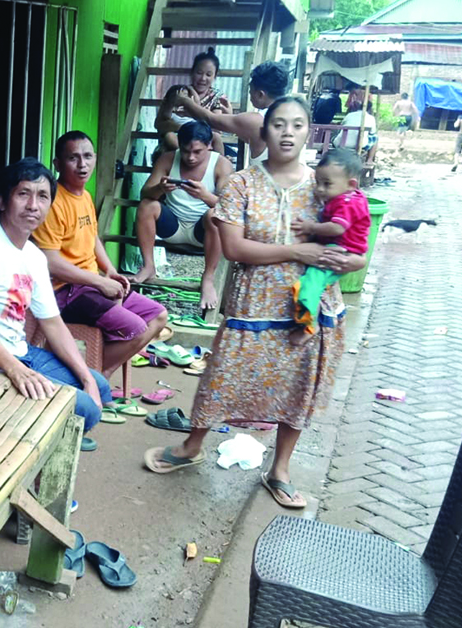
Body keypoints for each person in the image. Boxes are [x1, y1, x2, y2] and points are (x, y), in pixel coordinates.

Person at [141, 97, 368, 509]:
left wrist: (349, 259)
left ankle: (279, 468)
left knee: (299, 386)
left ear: (307, 132)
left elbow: (356, 249)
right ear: (264, 131)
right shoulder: (242, 183)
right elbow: (234, 248)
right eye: (278, 124)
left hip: (309, 308)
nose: (287, 132)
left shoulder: (329, 186)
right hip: (253, 303)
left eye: (297, 125)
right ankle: (193, 446)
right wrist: (301, 253)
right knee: (223, 375)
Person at [0, 157, 111, 452]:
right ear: (2, 200)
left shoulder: (34, 256)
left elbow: (52, 323)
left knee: (98, 385)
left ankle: (56, 436)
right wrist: (16, 370)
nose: (33, 206)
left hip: (21, 352)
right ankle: (43, 450)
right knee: (85, 409)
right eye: (23, 194)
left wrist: (86, 377)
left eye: (42, 197)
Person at [33, 131, 169, 378]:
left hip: (90, 284)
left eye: (87, 156)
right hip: (64, 291)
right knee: (136, 328)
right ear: (58, 164)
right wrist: (100, 282)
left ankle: (99, 374)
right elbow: (50, 261)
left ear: (95, 158)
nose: (82, 165)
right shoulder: (53, 201)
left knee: (158, 316)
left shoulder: (84, 195)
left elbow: (92, 236)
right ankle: (87, 376)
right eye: (73, 158)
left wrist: (110, 270)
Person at [131, 121, 236, 310]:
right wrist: (160, 189)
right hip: (173, 226)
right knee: (147, 206)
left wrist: (204, 196)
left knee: (215, 214)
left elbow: (229, 209)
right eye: (186, 151)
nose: (191, 157)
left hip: (203, 232)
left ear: (210, 145)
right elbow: (145, 194)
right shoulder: (168, 159)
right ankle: (149, 266)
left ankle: (208, 278)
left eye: (197, 152)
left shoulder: (221, 165)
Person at [290, 148, 371, 346]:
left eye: (327, 184)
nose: (319, 189)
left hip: (340, 250)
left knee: (307, 287)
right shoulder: (344, 196)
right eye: (318, 182)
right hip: (341, 248)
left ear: (351, 184)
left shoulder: (347, 202)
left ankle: (310, 325)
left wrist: (310, 227)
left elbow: (336, 227)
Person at [174, 60, 291, 164]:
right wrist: (231, 117)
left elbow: (211, 119)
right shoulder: (291, 115)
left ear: (260, 94)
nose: (249, 94)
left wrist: (185, 101)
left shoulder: (257, 120)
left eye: (251, 90)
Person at [155, 49, 231, 153]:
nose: (203, 78)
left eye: (208, 75)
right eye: (199, 73)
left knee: (215, 138)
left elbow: (216, 129)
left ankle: (219, 165)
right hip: (177, 141)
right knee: (168, 137)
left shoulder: (217, 97)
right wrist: (182, 128)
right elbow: (159, 124)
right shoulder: (178, 92)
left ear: (215, 76)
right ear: (192, 72)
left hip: (203, 144)